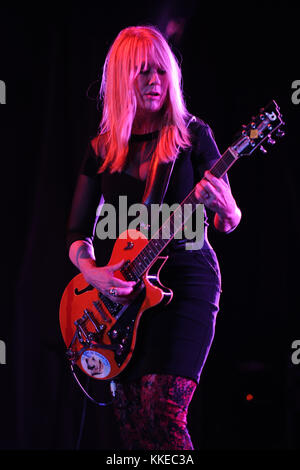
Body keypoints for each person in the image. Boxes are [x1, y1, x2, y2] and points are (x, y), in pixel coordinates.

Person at [66, 25, 241, 450]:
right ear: (121, 78)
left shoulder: (192, 135)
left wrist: (226, 208)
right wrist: (95, 273)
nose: (154, 82)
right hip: (125, 297)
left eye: (161, 72)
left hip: (186, 282)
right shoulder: (103, 148)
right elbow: (76, 233)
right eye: (142, 72)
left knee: (163, 413)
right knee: (133, 424)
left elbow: (229, 220)